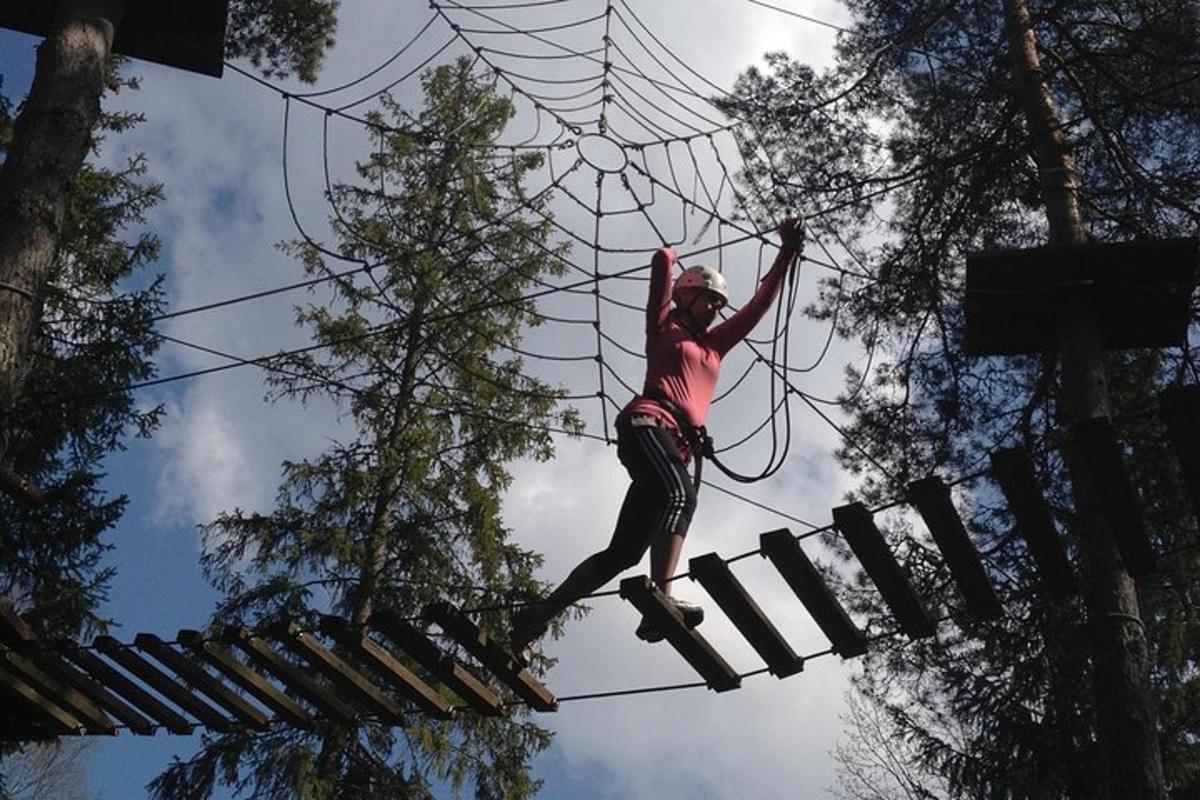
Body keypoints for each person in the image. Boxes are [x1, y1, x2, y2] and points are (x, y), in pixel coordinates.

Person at [511, 217, 805, 652]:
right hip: (648, 423)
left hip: (675, 445)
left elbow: (758, 306)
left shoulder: (715, 345)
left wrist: (786, 254)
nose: (717, 310)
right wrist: (667, 258)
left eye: (719, 304)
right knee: (680, 496)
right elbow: (658, 278)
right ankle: (662, 598)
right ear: (686, 296)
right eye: (709, 300)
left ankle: (538, 615)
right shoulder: (664, 328)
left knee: (625, 552)